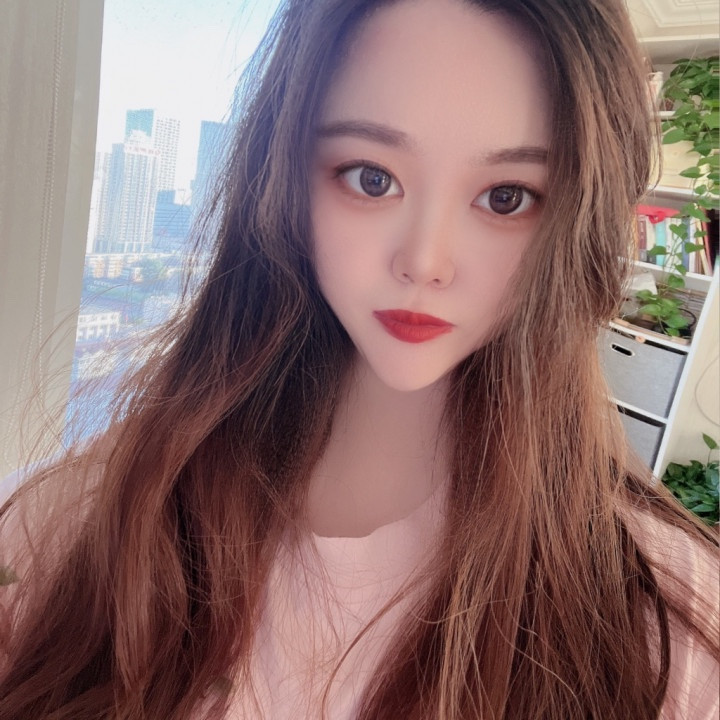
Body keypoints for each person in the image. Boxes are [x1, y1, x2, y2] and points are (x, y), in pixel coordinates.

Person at [0, 0, 718, 718]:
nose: (425, 261)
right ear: (283, 182)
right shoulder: (83, 526)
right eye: (372, 178)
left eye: (506, 198)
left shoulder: (665, 633)